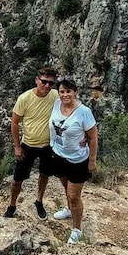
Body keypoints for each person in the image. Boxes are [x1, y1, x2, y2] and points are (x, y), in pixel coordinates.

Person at [4, 66, 59, 220]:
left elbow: (73, 106)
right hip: (27, 145)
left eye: (51, 83)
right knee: (17, 179)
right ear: (37, 80)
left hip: (48, 146)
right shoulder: (25, 98)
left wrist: (85, 134)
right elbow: (14, 123)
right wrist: (17, 146)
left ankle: (39, 201)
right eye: (44, 82)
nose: (47, 86)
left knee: (44, 175)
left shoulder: (55, 96)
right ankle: (12, 205)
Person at [48, 78, 98, 244]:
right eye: (62, 91)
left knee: (74, 196)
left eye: (68, 91)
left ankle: (77, 230)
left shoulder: (84, 112)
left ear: (75, 92)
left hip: (78, 160)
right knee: (65, 187)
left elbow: (93, 137)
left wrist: (92, 161)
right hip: (59, 155)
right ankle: (69, 210)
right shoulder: (56, 104)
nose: (65, 95)